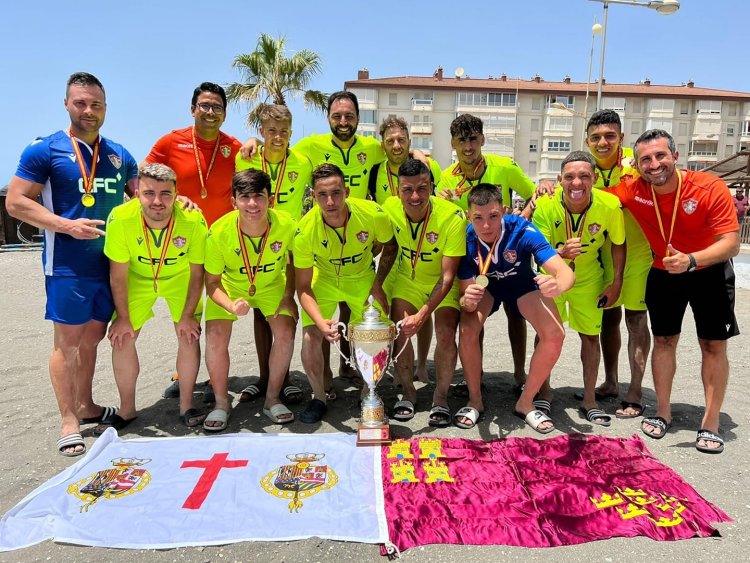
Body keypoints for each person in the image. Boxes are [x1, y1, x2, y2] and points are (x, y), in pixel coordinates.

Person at [6, 72, 138, 456]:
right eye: (81, 102)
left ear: (105, 108)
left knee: (93, 339)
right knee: (67, 343)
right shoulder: (44, 150)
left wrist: (180, 204)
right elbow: (16, 202)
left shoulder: (119, 154)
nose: (89, 110)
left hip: (110, 266)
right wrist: (66, 225)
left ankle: (86, 405)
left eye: (96, 104)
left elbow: (142, 197)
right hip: (66, 265)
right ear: (66, 103)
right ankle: (68, 420)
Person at [606, 129, 740, 454]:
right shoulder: (632, 189)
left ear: (675, 157)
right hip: (663, 272)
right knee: (664, 341)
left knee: (712, 345)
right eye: (645, 159)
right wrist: (548, 187)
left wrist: (692, 260)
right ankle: (663, 410)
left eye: (660, 155)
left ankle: (710, 422)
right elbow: (588, 194)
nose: (654, 164)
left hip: (707, 270)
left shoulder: (709, 187)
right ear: (636, 166)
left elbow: (731, 243)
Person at [144, 82, 242, 402]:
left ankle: (215, 378)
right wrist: (171, 200)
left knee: (214, 313)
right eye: (205, 106)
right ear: (193, 109)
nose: (210, 112)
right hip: (182, 243)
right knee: (187, 311)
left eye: (217, 107)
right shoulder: (171, 142)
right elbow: (142, 177)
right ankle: (184, 372)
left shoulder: (235, 148)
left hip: (221, 245)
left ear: (225, 114)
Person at [456, 184, 574, 432]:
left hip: (520, 285)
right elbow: (465, 299)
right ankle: (475, 400)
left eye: (493, 216)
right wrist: (467, 299)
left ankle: (526, 402)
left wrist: (558, 286)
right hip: (486, 287)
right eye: (478, 218)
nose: (486, 225)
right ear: (469, 215)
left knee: (555, 334)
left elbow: (563, 271)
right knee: (467, 329)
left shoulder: (523, 230)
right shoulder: (464, 238)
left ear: (505, 211)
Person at [101, 164, 207, 432]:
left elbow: (198, 274)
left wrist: (186, 316)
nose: (157, 201)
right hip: (137, 278)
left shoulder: (193, 220)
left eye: (165, 194)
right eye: (149, 193)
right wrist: (123, 319)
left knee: (188, 334)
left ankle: (186, 404)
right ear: (137, 193)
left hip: (179, 277)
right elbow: (117, 275)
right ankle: (127, 409)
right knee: (122, 338)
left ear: (176, 194)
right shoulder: (120, 218)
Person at [437, 113, 537, 397]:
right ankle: (475, 375)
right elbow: (449, 219)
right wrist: (443, 203)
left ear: (482, 139)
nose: (467, 147)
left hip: (510, 255)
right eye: (461, 141)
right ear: (453, 144)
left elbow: (534, 194)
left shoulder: (504, 166)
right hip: (474, 261)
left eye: (472, 139)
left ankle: (519, 375)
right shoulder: (447, 178)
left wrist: (522, 219)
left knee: (515, 315)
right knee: (472, 317)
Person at [293, 164, 396, 423]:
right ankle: (318, 397)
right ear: (313, 196)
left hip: (362, 278)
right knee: (310, 337)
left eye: (337, 193)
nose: (330, 201)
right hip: (324, 279)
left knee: (377, 331)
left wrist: (377, 283)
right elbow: (303, 287)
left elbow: (391, 246)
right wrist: (320, 323)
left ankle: (368, 390)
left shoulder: (372, 214)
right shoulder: (304, 231)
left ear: (347, 191)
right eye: (322, 195)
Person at [532, 151, 625, 427]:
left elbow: (618, 244)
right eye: (570, 177)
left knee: (589, 337)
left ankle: (589, 400)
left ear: (594, 179)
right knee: (546, 335)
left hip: (588, 280)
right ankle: (543, 391)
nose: (577, 183)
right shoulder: (546, 207)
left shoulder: (609, 205)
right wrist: (561, 252)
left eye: (584, 176)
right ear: (560, 180)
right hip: (552, 277)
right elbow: (538, 251)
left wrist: (616, 281)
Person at [203, 169, 297, 430]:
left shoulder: (287, 224)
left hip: (270, 286)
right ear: (234, 202)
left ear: (271, 199)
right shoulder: (219, 231)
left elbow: (294, 262)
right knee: (215, 336)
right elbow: (211, 283)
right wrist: (231, 305)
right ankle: (222, 403)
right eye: (244, 197)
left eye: (259, 196)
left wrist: (289, 295)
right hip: (230, 287)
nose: (252, 204)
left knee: (286, 331)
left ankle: (272, 399)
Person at [377, 159, 466, 427]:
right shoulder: (388, 208)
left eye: (422, 188)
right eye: (407, 189)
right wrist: (376, 285)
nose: (415, 196)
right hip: (408, 280)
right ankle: (408, 391)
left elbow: (448, 276)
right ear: (397, 189)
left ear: (431, 187)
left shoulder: (452, 216)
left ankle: (440, 397)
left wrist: (424, 313)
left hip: (442, 282)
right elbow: (383, 246)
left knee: (446, 332)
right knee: (402, 330)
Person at [575, 110, 651, 419]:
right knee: (607, 320)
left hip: (637, 256)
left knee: (635, 320)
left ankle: (635, 390)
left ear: (621, 137)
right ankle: (610, 381)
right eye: (596, 137)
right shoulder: (584, 169)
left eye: (610, 136)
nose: (603, 142)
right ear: (587, 141)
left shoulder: (639, 162)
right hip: (600, 257)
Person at [233, 104, 310, 405]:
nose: (278, 137)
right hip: (256, 242)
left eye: (284, 132)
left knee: (287, 308)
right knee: (260, 312)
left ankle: (285, 377)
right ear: (261, 132)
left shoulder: (303, 162)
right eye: (271, 132)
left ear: (291, 133)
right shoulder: (247, 158)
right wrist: (250, 141)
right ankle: (265, 378)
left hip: (288, 244)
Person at [368, 117, 443, 383]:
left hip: (420, 245)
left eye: (401, 140)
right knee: (391, 310)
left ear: (410, 142)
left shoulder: (428, 167)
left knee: (422, 308)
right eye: (390, 141)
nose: (396, 145)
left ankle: (421, 364)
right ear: (382, 145)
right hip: (392, 247)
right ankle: (397, 364)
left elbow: (442, 199)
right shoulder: (375, 171)